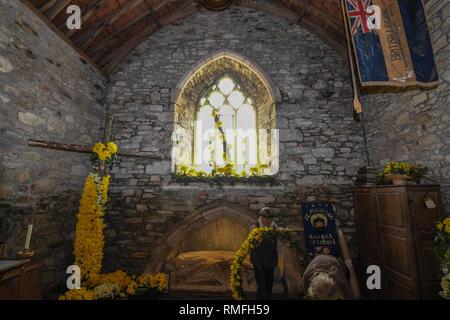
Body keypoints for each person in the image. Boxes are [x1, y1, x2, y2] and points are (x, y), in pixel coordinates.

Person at [249, 207, 281, 300]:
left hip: (270, 260)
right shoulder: (255, 227)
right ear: (261, 217)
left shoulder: (274, 226)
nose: (267, 221)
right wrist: (257, 242)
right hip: (259, 260)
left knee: (269, 284)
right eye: (265, 219)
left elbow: (277, 241)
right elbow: (251, 244)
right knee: (262, 285)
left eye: (269, 219)